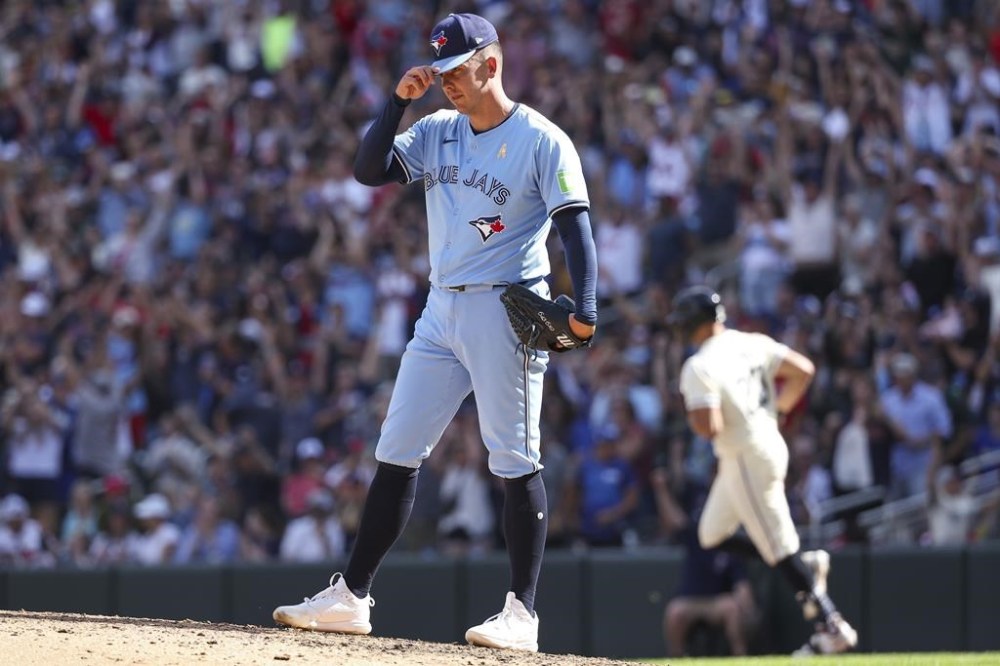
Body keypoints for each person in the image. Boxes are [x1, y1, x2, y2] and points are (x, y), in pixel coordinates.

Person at [272, 12, 598, 653]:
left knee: (513, 457)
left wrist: (585, 306)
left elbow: (575, 227)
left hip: (506, 309)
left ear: (492, 64)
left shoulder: (542, 140)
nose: (447, 82)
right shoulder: (439, 130)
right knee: (397, 448)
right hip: (440, 306)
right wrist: (396, 104)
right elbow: (369, 170)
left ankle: (522, 616)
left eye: (458, 70)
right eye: (440, 71)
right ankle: (352, 597)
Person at [667, 286, 857, 655]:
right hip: (766, 443)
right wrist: (779, 409)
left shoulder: (698, 364)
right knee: (712, 534)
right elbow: (804, 371)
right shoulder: (752, 341)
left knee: (778, 547)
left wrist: (695, 417)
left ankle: (831, 624)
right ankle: (805, 568)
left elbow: (711, 428)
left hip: (744, 456)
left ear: (691, 322)